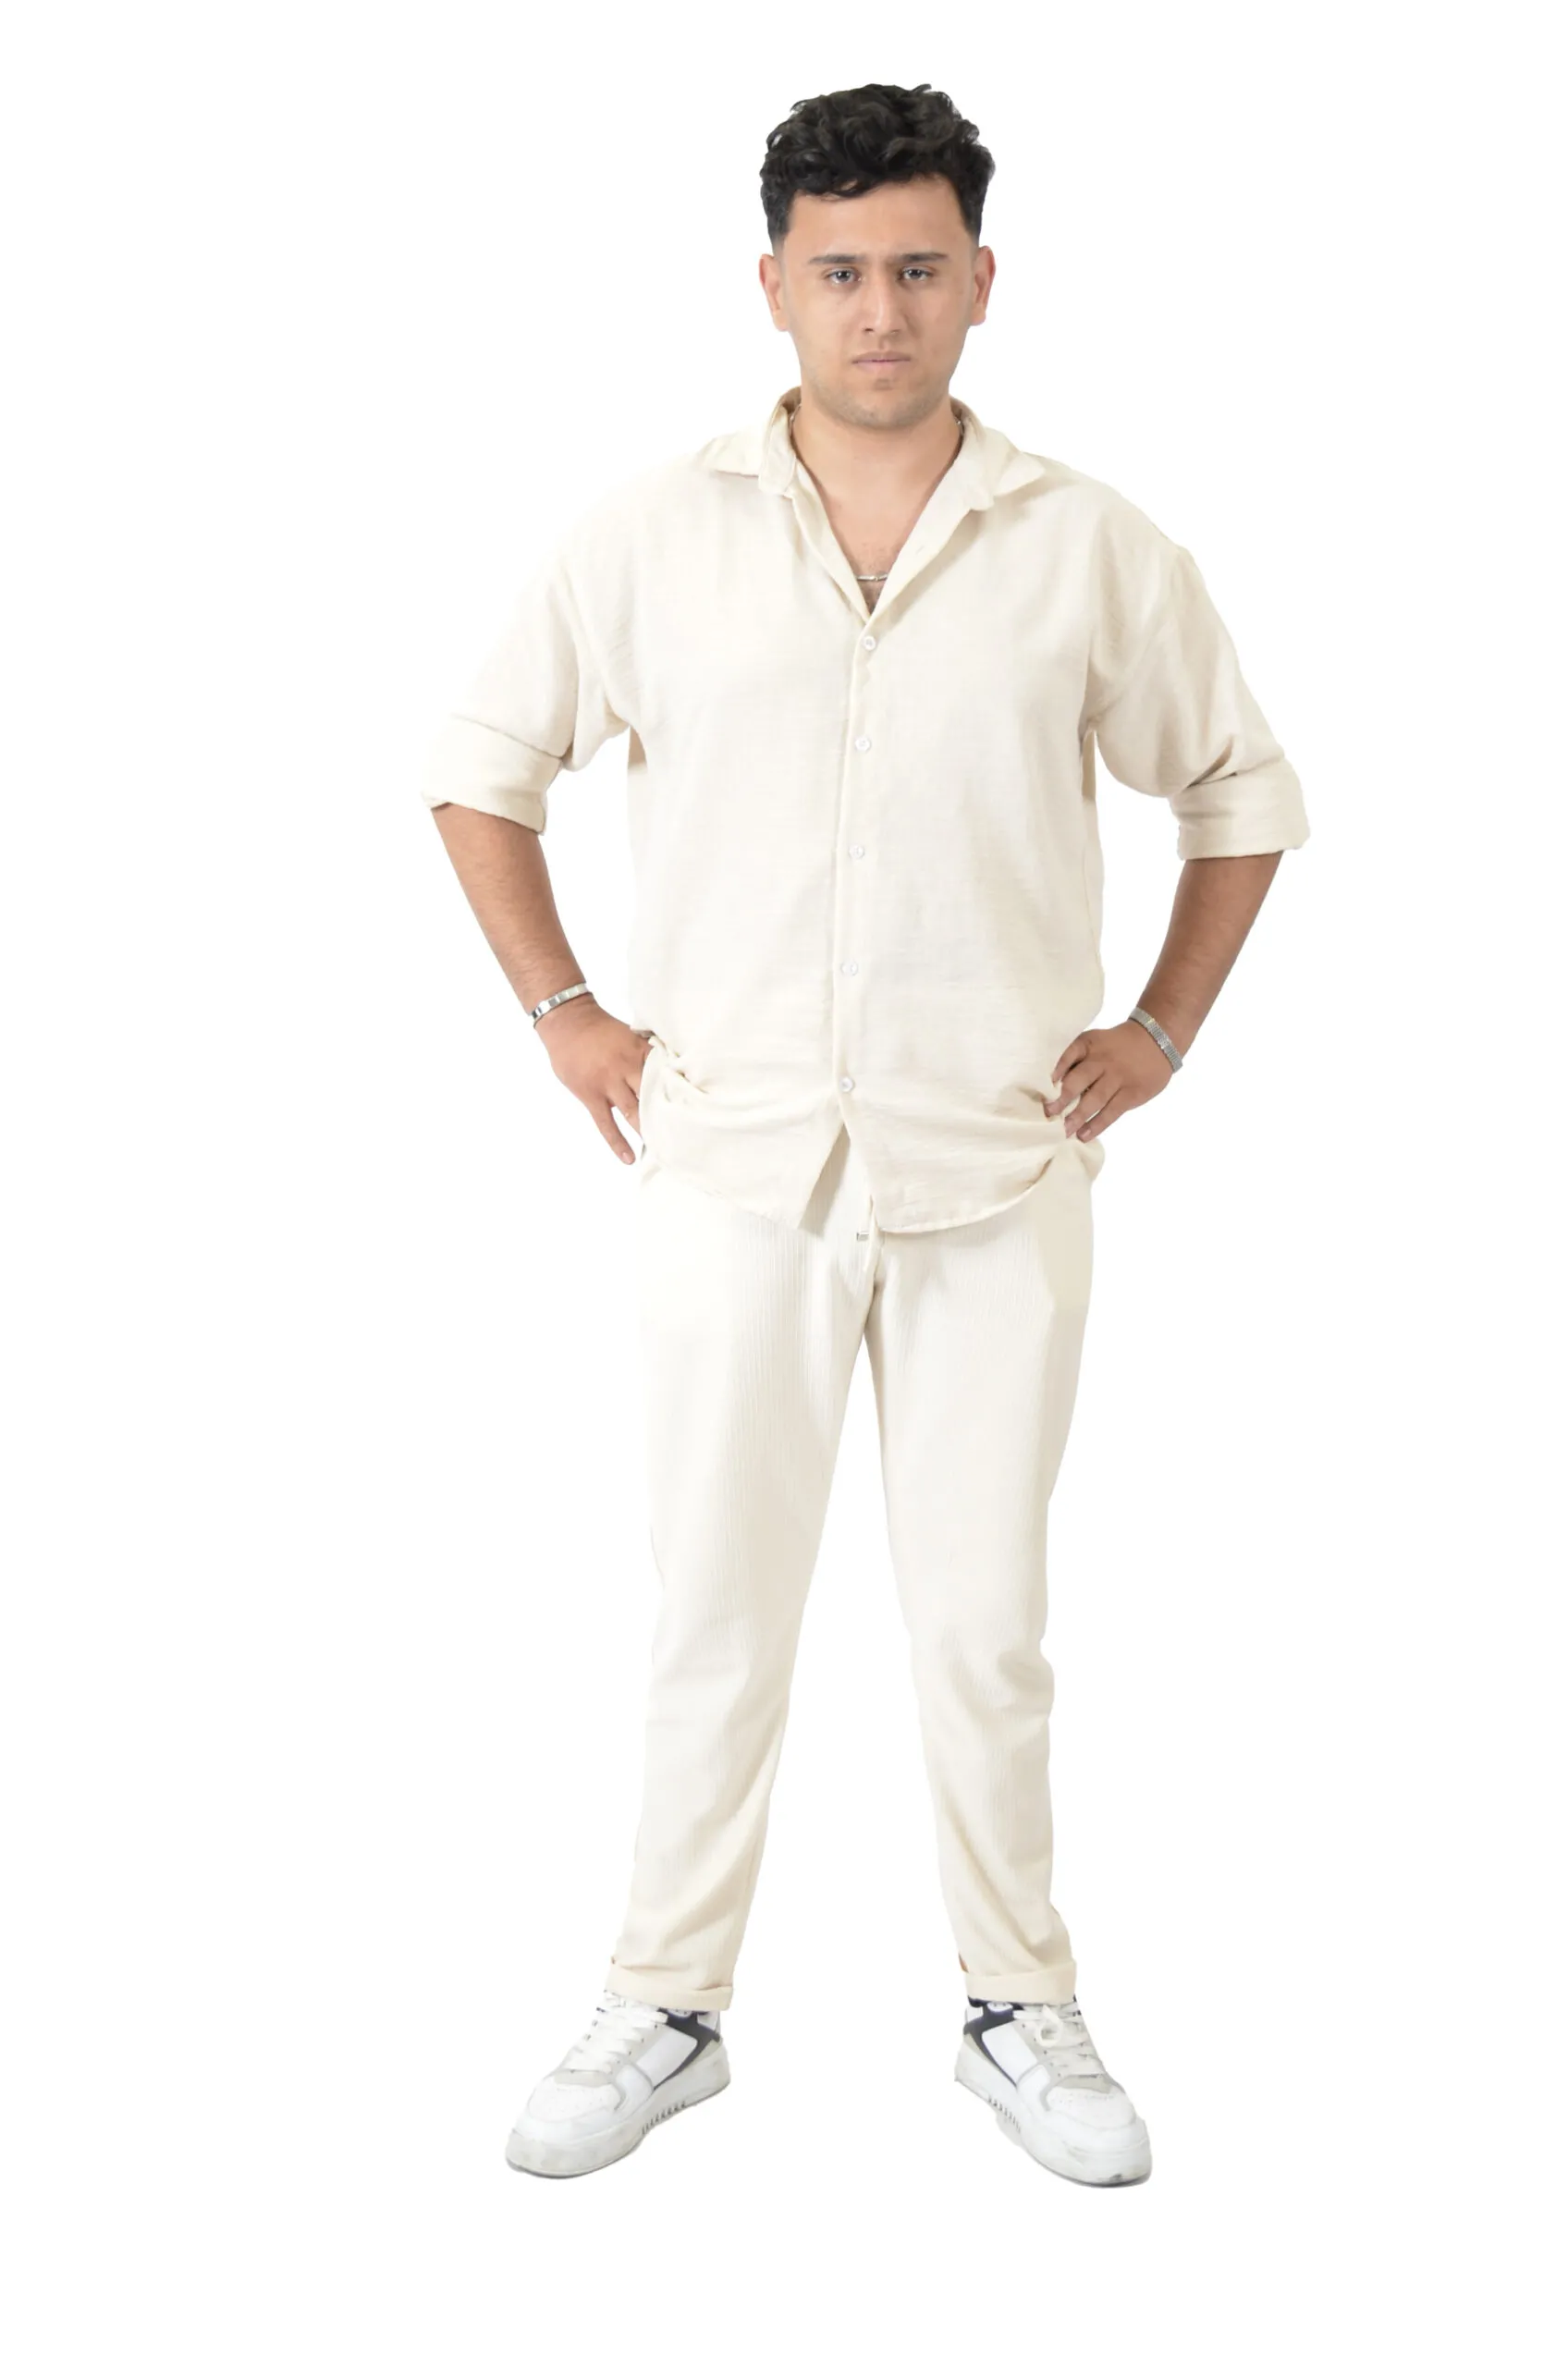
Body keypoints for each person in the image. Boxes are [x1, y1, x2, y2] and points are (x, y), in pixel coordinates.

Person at [420, 81, 1308, 2187]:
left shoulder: (1090, 545)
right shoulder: (646, 536)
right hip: (726, 1163)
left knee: (982, 1627)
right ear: (772, 286)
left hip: (996, 1165)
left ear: (982, 279)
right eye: (839, 271)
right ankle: (664, 2002)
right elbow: (481, 768)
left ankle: (1019, 2004)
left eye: (916, 266)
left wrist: (1160, 1029)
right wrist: (562, 1012)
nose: (879, 309)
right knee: (711, 1614)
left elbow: (1240, 794)